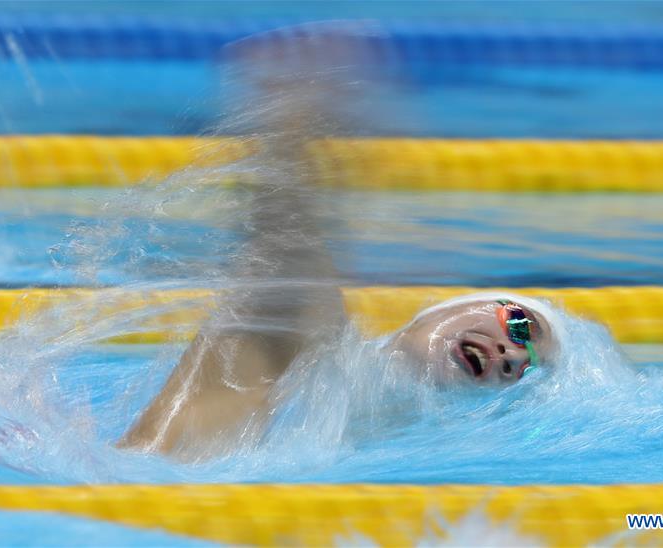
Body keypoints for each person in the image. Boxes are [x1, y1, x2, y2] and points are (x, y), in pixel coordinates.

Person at [117, 26, 558, 457]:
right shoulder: (325, 357)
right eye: (520, 324)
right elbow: (282, 271)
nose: (512, 354)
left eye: (527, 370)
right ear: (439, 311)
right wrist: (289, 138)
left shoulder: (403, 447)